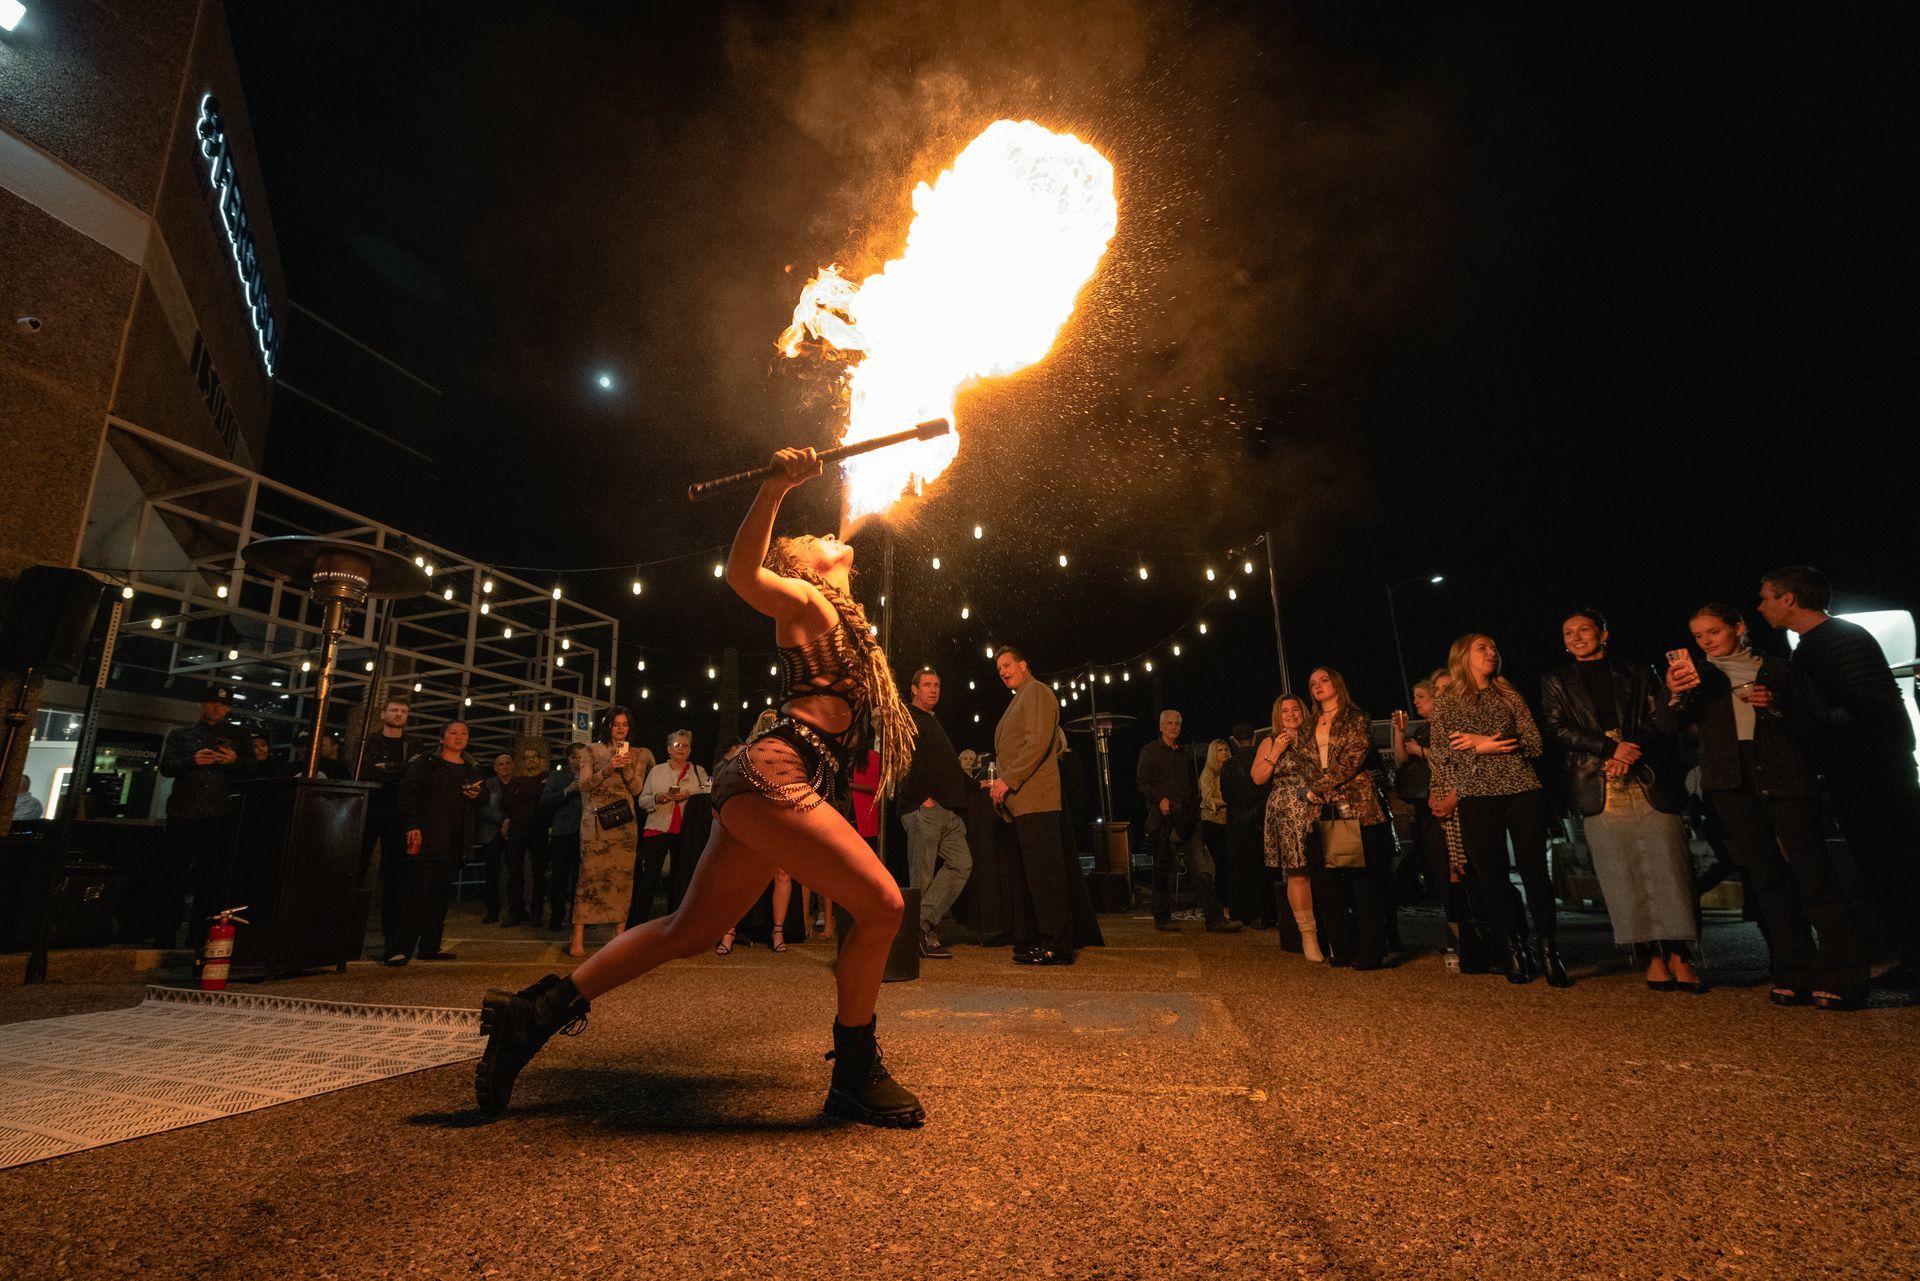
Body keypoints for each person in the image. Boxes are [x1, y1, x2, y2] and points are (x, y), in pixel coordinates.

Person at [476, 446, 925, 1127]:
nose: (833, 537)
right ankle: (855, 1069)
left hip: (764, 779)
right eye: (815, 541)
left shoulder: (841, 614)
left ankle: (533, 1013)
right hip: (776, 772)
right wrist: (774, 488)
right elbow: (742, 572)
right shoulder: (803, 601)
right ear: (801, 568)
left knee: (689, 928)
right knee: (885, 904)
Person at [1656, 603, 1869, 1009]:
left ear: (1738, 628)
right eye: (1698, 636)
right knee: (1767, 879)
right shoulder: (1698, 676)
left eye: (1713, 632)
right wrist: (1675, 694)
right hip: (1731, 782)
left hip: (1784, 775)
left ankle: (1844, 975)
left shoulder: (1778, 669)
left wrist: (1774, 706)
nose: (1705, 642)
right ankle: (1793, 971)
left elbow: (1814, 725)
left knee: (1814, 874)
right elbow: (1666, 727)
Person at [1759, 565, 1920, 987]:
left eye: (1766, 598)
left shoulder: (1839, 639)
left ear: (1789, 599)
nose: (1761, 607)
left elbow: (1872, 707)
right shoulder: (1818, 643)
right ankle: (1910, 959)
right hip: (1859, 772)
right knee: (1885, 868)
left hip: (1874, 775)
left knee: (1898, 864)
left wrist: (1795, 714)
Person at [1541, 610, 1701, 992]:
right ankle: (1651, 956)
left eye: (1585, 630)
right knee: (1620, 869)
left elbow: (1661, 718)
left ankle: (1681, 953)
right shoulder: (1556, 680)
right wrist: (1610, 747)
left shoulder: (1636, 671)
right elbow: (1557, 728)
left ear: (1604, 634)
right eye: (1569, 633)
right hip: (1596, 777)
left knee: (1669, 862)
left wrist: (1631, 749)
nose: (1577, 637)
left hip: (1647, 772)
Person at [1428, 633, 1564, 986]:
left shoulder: (1508, 695)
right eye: (1482, 648)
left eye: (1493, 647)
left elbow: (1534, 744)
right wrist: (1478, 748)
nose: (1491, 652)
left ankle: (1550, 952)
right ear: (1463, 657)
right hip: (1476, 794)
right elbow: (1441, 755)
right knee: (1492, 875)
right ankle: (1515, 951)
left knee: (1534, 870)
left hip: (1522, 788)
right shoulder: (1446, 703)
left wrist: (1490, 744)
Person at [1296, 668, 1393, 968]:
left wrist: (1317, 787)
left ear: (1337, 683)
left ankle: (1371, 949)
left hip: (1355, 804)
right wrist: (1311, 792)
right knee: (1327, 880)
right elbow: (1304, 760)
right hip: (1321, 807)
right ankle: (1343, 946)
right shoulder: (1310, 724)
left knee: (1363, 879)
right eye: (1312, 683)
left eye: (1323, 680)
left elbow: (1354, 758)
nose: (1318, 686)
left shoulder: (1356, 718)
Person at [989, 646, 1077, 965]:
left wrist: (1007, 780)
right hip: (1022, 802)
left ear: (1024, 665)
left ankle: (1058, 944)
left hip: (1036, 798)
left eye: (1007, 664)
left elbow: (1038, 742)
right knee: (1035, 876)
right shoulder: (1020, 698)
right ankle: (1043, 937)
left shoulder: (1036, 691)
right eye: (999, 667)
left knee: (1046, 875)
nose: (1002, 671)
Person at [155, 682, 253, 948]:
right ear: (202, 704)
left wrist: (234, 761)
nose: (216, 707)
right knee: (173, 874)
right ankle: (165, 932)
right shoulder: (181, 734)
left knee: (212, 877)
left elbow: (253, 769)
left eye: (222, 704)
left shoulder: (240, 736)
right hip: (184, 811)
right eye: (212, 702)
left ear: (228, 707)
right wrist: (192, 760)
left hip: (219, 812)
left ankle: (200, 933)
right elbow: (165, 766)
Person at [1136, 710, 1239, 933]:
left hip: (1188, 818)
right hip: (1163, 819)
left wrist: (1195, 808)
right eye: (1170, 723)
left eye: (1177, 724)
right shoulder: (1150, 751)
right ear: (1162, 726)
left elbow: (1192, 786)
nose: (1174, 727)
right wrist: (1160, 800)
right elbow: (1142, 783)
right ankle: (1162, 917)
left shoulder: (1183, 754)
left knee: (1200, 868)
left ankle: (1214, 919)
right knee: (1162, 871)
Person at [390, 720, 483, 965]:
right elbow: (408, 794)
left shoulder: (471, 768)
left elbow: (483, 800)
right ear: (441, 738)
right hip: (429, 836)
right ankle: (399, 948)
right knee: (416, 893)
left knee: (441, 896)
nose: (459, 736)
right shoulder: (426, 763)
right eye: (453, 732)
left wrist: (479, 794)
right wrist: (413, 824)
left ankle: (430, 946)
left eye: (464, 732)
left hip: (455, 840)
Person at [898, 666, 975, 959]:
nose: (933, 689)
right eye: (927, 684)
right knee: (922, 876)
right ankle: (916, 935)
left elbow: (947, 767)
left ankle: (918, 926)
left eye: (937, 685)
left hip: (946, 809)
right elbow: (901, 761)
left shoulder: (932, 720)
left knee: (961, 863)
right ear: (914, 689)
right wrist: (923, 799)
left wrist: (976, 784)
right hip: (924, 808)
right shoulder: (907, 718)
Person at [570, 707, 651, 959]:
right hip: (596, 820)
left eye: (625, 725)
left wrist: (625, 768)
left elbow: (637, 790)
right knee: (590, 875)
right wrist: (608, 768)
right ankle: (578, 936)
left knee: (622, 877)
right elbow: (583, 785)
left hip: (624, 822)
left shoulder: (636, 753)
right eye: (616, 724)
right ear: (607, 726)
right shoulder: (591, 750)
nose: (620, 729)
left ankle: (619, 935)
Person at [1251, 694, 1323, 961]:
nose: (1291, 714)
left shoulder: (1315, 736)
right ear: (1277, 717)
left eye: (1295, 709)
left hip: (1316, 808)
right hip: (1286, 811)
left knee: (1324, 871)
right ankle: (1308, 936)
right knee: (1297, 872)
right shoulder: (1270, 741)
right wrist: (1275, 752)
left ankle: (1333, 930)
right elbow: (1258, 778)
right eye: (1285, 711)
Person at [358, 695, 417, 954]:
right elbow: (365, 771)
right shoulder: (369, 741)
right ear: (383, 714)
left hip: (398, 812)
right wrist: (399, 770)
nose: (398, 714)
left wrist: (388, 768)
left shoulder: (413, 743)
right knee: (359, 869)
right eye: (394, 710)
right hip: (371, 809)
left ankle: (391, 938)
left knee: (395, 875)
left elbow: (413, 775)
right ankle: (349, 934)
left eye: (403, 711)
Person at [635, 730, 710, 929]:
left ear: (690, 750)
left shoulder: (698, 771)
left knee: (680, 878)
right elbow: (642, 800)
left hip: (686, 832)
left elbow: (707, 791)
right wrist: (657, 797)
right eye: (677, 745)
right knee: (650, 876)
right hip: (658, 827)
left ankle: (675, 922)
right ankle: (638, 922)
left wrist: (689, 793)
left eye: (685, 745)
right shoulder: (657, 770)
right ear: (669, 749)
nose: (681, 749)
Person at [1220, 722, 1274, 928]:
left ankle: (1244, 912)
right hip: (1263, 819)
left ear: (1234, 741)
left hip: (1238, 822)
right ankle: (1267, 912)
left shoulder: (1229, 765)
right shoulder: (1264, 760)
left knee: (1241, 869)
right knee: (1265, 866)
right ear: (1254, 738)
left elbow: (1226, 795)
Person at [540, 744, 589, 932]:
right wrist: (567, 791)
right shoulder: (558, 776)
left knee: (582, 878)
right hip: (564, 833)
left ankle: (579, 917)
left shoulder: (591, 775)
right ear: (569, 758)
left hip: (586, 833)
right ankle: (556, 916)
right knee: (560, 877)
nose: (582, 760)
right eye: (578, 757)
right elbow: (544, 801)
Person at [502, 746, 552, 927]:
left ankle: (536, 913)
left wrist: (523, 792)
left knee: (539, 873)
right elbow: (508, 800)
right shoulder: (517, 781)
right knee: (514, 872)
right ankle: (515, 912)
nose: (530, 760)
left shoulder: (547, 778)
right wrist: (535, 791)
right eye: (527, 757)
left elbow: (545, 797)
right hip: (517, 829)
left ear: (541, 760)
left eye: (534, 756)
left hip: (538, 829)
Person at [476, 753, 514, 924]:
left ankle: (515, 909)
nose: (504, 767)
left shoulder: (519, 783)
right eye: (501, 764)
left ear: (513, 765)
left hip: (513, 833)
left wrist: (510, 822)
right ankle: (492, 910)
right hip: (491, 833)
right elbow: (482, 808)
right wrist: (502, 821)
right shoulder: (487, 785)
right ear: (495, 767)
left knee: (515, 872)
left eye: (507, 763)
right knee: (492, 874)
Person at [1198, 738, 1233, 917]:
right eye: (1220, 750)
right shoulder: (1208, 773)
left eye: (1226, 749)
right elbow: (1208, 799)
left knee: (1229, 862)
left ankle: (1230, 902)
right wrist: (1230, 801)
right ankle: (1223, 905)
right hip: (1212, 821)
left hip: (1228, 821)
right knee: (1221, 863)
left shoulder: (1231, 771)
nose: (1224, 753)